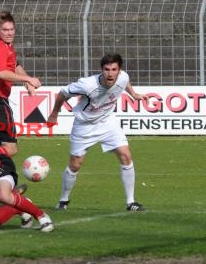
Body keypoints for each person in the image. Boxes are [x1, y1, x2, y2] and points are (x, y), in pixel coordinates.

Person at [47, 53, 148, 212]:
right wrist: (54, 114)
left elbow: (126, 82)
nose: (110, 73)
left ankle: (131, 202)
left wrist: (134, 94)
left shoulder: (123, 77)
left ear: (119, 70)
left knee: (125, 155)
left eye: (114, 69)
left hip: (108, 122)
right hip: (84, 125)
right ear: (102, 70)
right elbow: (63, 93)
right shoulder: (87, 85)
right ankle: (63, 200)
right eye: (106, 69)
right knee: (75, 165)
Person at [0, 11, 42, 158]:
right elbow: (1, 73)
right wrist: (30, 80)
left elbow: (14, 65)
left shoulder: (4, 44)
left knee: (2, 147)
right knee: (10, 148)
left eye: (12, 29)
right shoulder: (0, 47)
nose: (10, 33)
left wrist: (27, 80)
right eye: (5, 30)